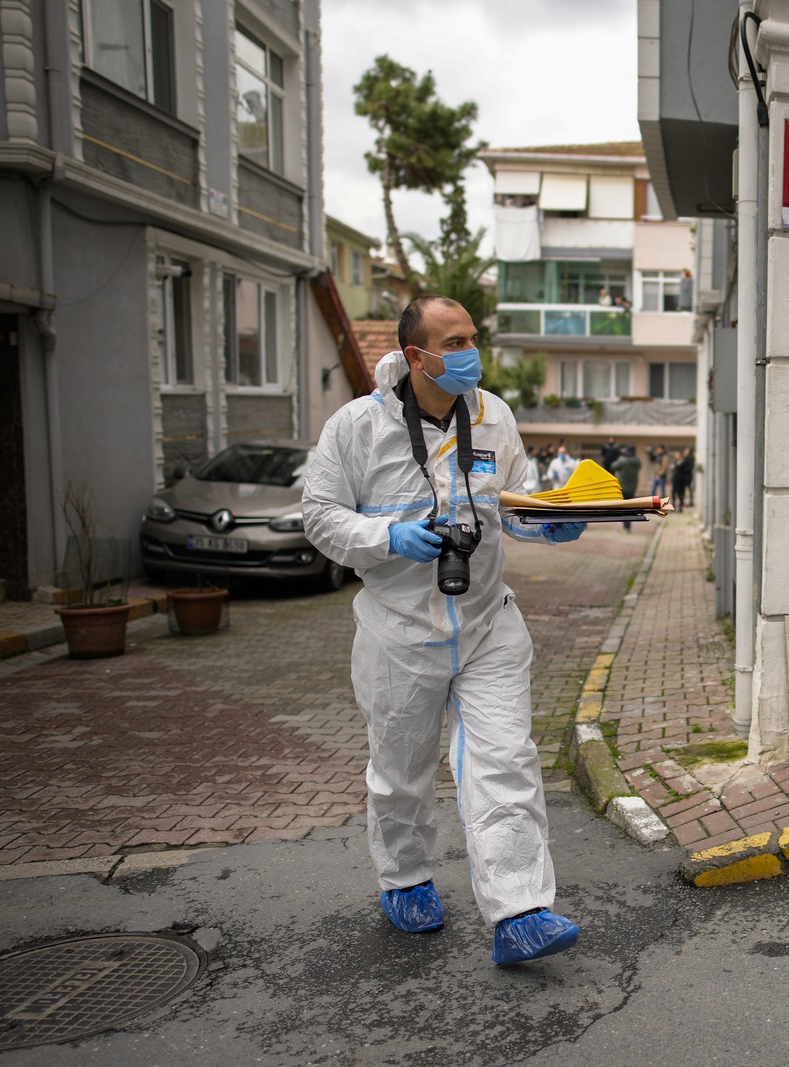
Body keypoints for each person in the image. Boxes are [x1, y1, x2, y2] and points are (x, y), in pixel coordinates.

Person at [302, 294, 585, 964]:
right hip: (398, 632)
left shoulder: (493, 417)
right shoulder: (358, 428)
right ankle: (404, 878)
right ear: (415, 355)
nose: (468, 352)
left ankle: (520, 909)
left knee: (505, 760)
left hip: (487, 622)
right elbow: (317, 515)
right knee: (401, 771)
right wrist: (387, 535)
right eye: (452, 341)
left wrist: (550, 521)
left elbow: (511, 505)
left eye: (471, 338)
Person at [611, 445, 642, 531]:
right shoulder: (637, 461)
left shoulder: (623, 461)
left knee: (623, 508)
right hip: (632, 487)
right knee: (629, 507)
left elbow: (613, 466)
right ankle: (628, 526)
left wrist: (621, 456)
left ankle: (626, 526)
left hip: (623, 487)